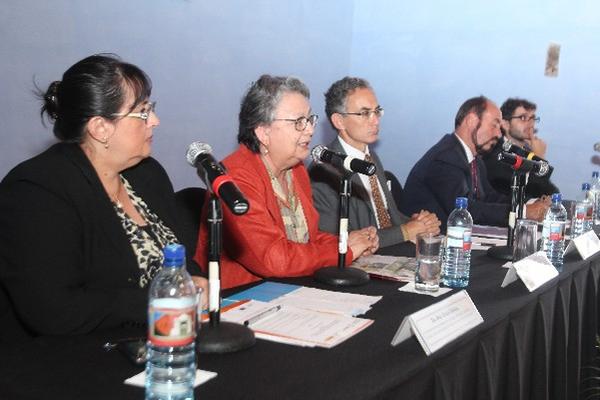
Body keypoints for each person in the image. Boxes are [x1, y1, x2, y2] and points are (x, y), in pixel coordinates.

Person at [0, 54, 207, 341]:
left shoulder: (146, 174)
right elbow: (54, 310)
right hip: (70, 359)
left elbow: (176, 255)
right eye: (143, 112)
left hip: (162, 339)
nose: (155, 121)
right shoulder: (36, 191)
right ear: (100, 128)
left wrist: (195, 280)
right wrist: (159, 301)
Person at [193, 75, 378, 289]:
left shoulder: (296, 170)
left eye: (310, 119)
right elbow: (274, 258)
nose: (310, 129)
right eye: (299, 122)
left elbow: (308, 239)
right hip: (242, 296)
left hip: (292, 288)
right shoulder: (235, 177)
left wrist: (347, 241)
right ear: (263, 132)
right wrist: (343, 251)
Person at [310, 77, 440, 248]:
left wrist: (419, 223)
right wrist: (407, 230)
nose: (376, 120)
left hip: (390, 253)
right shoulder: (324, 170)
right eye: (364, 113)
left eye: (377, 111)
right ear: (339, 121)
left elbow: (386, 217)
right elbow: (339, 240)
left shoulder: (370, 157)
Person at [401, 96, 549, 228]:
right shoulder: (445, 158)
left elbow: (489, 197)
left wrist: (530, 203)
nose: (498, 134)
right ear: (471, 121)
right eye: (494, 125)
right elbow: (466, 210)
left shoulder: (474, 159)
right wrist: (522, 212)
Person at [482, 98, 559, 198]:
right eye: (523, 118)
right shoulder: (496, 155)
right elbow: (526, 192)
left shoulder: (527, 152)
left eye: (533, 118)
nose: (531, 124)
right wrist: (540, 158)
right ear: (505, 124)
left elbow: (552, 191)